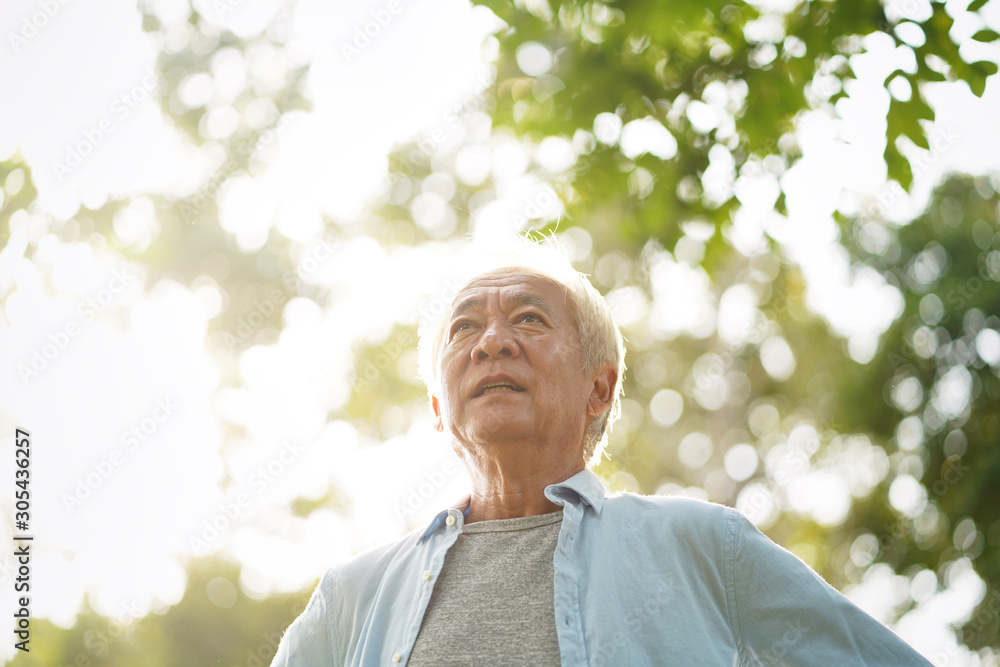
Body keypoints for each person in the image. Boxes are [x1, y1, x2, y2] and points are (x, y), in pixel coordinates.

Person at [271, 237, 932, 666]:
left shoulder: (702, 547)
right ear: (439, 410)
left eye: (529, 318)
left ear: (599, 386)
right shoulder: (350, 599)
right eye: (465, 325)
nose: (491, 341)